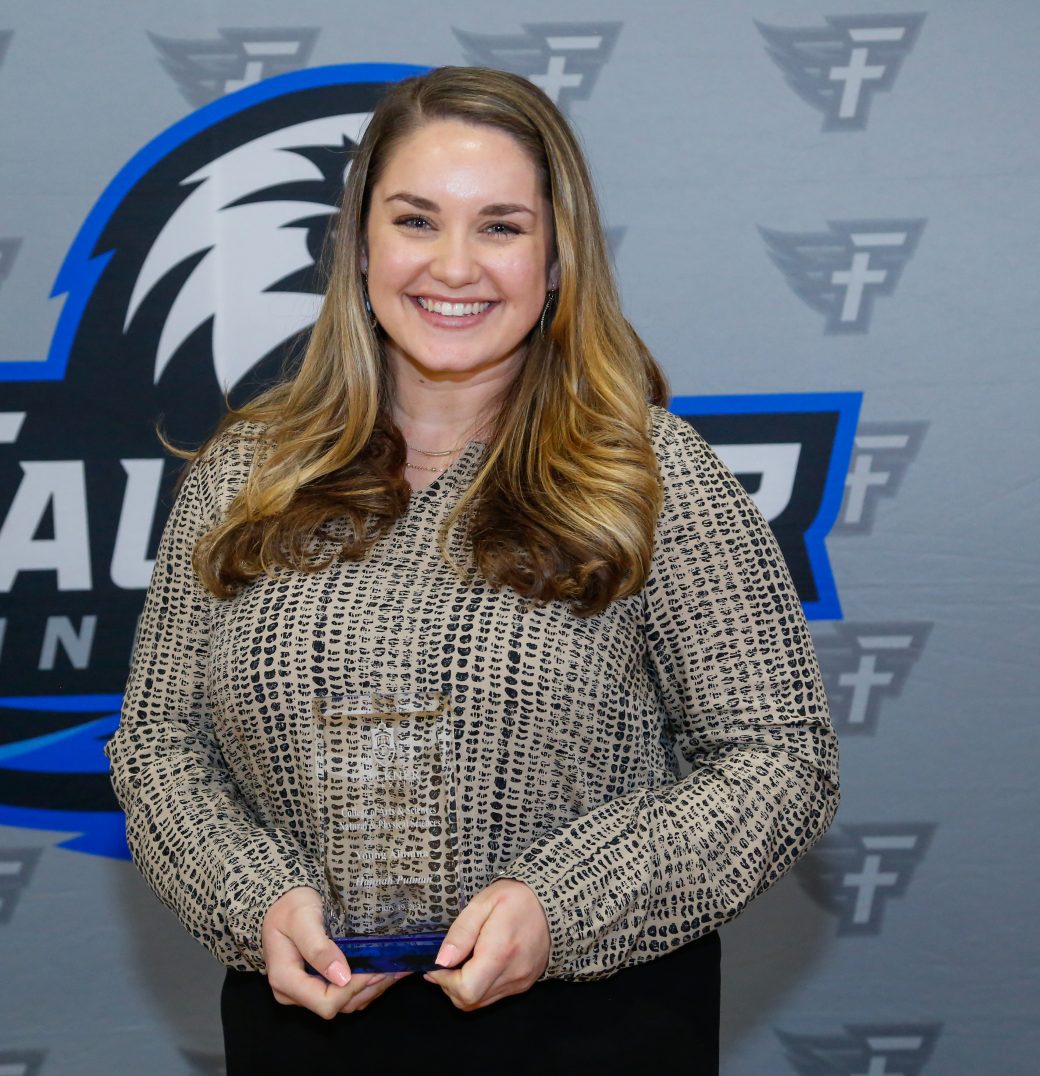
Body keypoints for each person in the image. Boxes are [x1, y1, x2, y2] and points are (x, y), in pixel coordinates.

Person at [105, 66, 839, 1074]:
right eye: (416, 220)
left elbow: (778, 754)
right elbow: (157, 741)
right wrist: (252, 898)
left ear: (556, 258)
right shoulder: (247, 473)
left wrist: (563, 905)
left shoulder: (654, 471)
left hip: (594, 1033)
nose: (454, 266)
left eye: (500, 225)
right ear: (360, 247)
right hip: (303, 1034)